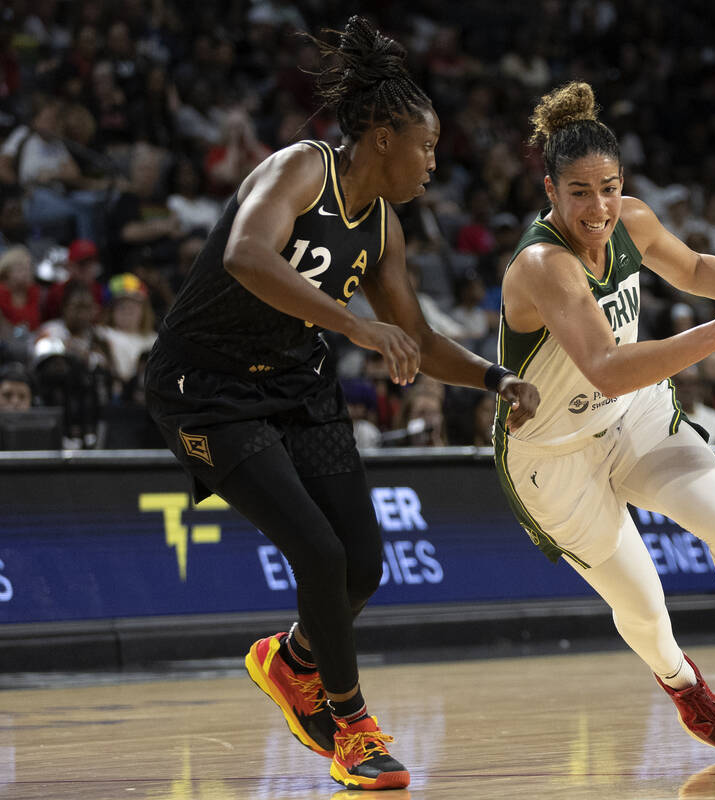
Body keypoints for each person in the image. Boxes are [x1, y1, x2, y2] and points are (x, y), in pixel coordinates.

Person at [142, 17, 539, 791]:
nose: (433, 164)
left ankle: (288, 661)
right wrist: (355, 322)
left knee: (361, 564)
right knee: (317, 554)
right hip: (206, 390)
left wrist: (495, 379)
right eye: (425, 147)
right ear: (384, 137)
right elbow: (245, 255)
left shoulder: (385, 227)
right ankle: (351, 727)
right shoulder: (300, 168)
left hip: (296, 385)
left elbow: (417, 337)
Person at [494, 81, 715, 750]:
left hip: (632, 415)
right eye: (579, 192)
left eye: (608, 187)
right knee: (645, 606)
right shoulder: (544, 266)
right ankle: (682, 681)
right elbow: (603, 364)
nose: (598, 206)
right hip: (553, 452)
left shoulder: (632, 220)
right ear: (550, 192)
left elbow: (692, 266)